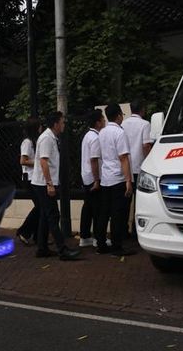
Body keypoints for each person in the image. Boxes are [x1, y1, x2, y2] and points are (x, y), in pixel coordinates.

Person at [30, 111, 80, 261]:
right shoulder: (47, 138)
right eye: (62, 122)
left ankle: (42, 248)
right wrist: (49, 184)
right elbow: (43, 162)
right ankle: (62, 250)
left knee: (46, 216)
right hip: (43, 183)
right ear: (56, 124)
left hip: (42, 183)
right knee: (53, 216)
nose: (64, 124)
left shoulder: (51, 137)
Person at [95, 104, 136, 257]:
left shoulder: (102, 132)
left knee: (105, 212)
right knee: (118, 214)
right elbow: (123, 158)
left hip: (106, 177)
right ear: (118, 115)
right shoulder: (119, 133)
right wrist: (128, 180)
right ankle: (117, 246)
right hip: (118, 177)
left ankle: (101, 244)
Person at [122, 102, 153, 238]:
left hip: (126, 166)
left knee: (125, 201)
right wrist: (150, 161)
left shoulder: (123, 124)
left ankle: (123, 229)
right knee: (139, 201)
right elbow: (146, 145)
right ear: (142, 109)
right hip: (140, 166)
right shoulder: (145, 124)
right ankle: (137, 230)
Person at [78, 109, 105, 248]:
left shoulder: (87, 136)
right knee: (98, 210)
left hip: (85, 176)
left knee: (88, 208)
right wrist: (97, 180)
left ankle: (84, 236)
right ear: (98, 122)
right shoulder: (95, 138)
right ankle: (98, 238)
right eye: (103, 119)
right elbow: (94, 160)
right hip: (92, 178)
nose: (105, 122)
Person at [15, 117, 41, 245]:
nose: (41, 128)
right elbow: (23, 160)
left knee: (40, 207)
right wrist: (39, 163)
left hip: (34, 177)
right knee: (40, 206)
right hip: (29, 178)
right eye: (39, 126)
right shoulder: (27, 142)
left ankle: (37, 236)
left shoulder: (34, 141)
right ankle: (24, 231)